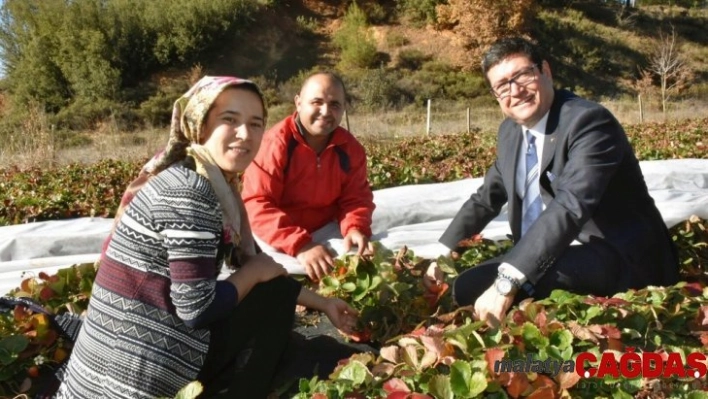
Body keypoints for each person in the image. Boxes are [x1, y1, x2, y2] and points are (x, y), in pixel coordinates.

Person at [55, 76, 358, 399]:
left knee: (267, 291)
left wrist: (324, 304)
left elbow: (257, 264)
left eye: (256, 124)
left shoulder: (209, 181)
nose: (245, 134)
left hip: (123, 352)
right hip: (135, 378)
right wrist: (253, 274)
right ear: (199, 125)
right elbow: (199, 309)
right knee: (269, 302)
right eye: (230, 120)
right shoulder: (189, 192)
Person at [431, 37, 679, 327]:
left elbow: (571, 204)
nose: (516, 91)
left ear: (545, 71)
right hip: (557, 250)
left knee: (497, 285)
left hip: (618, 253)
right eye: (502, 86)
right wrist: (443, 253)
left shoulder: (588, 122)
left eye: (522, 75)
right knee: (466, 285)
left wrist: (506, 282)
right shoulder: (510, 132)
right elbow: (487, 197)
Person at [241, 71, 376, 281]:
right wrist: (301, 245)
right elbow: (257, 204)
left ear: (343, 108)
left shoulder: (350, 149)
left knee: (364, 258)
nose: (325, 111)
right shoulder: (274, 145)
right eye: (317, 102)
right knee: (267, 274)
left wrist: (355, 227)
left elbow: (356, 198)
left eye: (334, 105)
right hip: (275, 235)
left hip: (324, 229)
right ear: (298, 102)